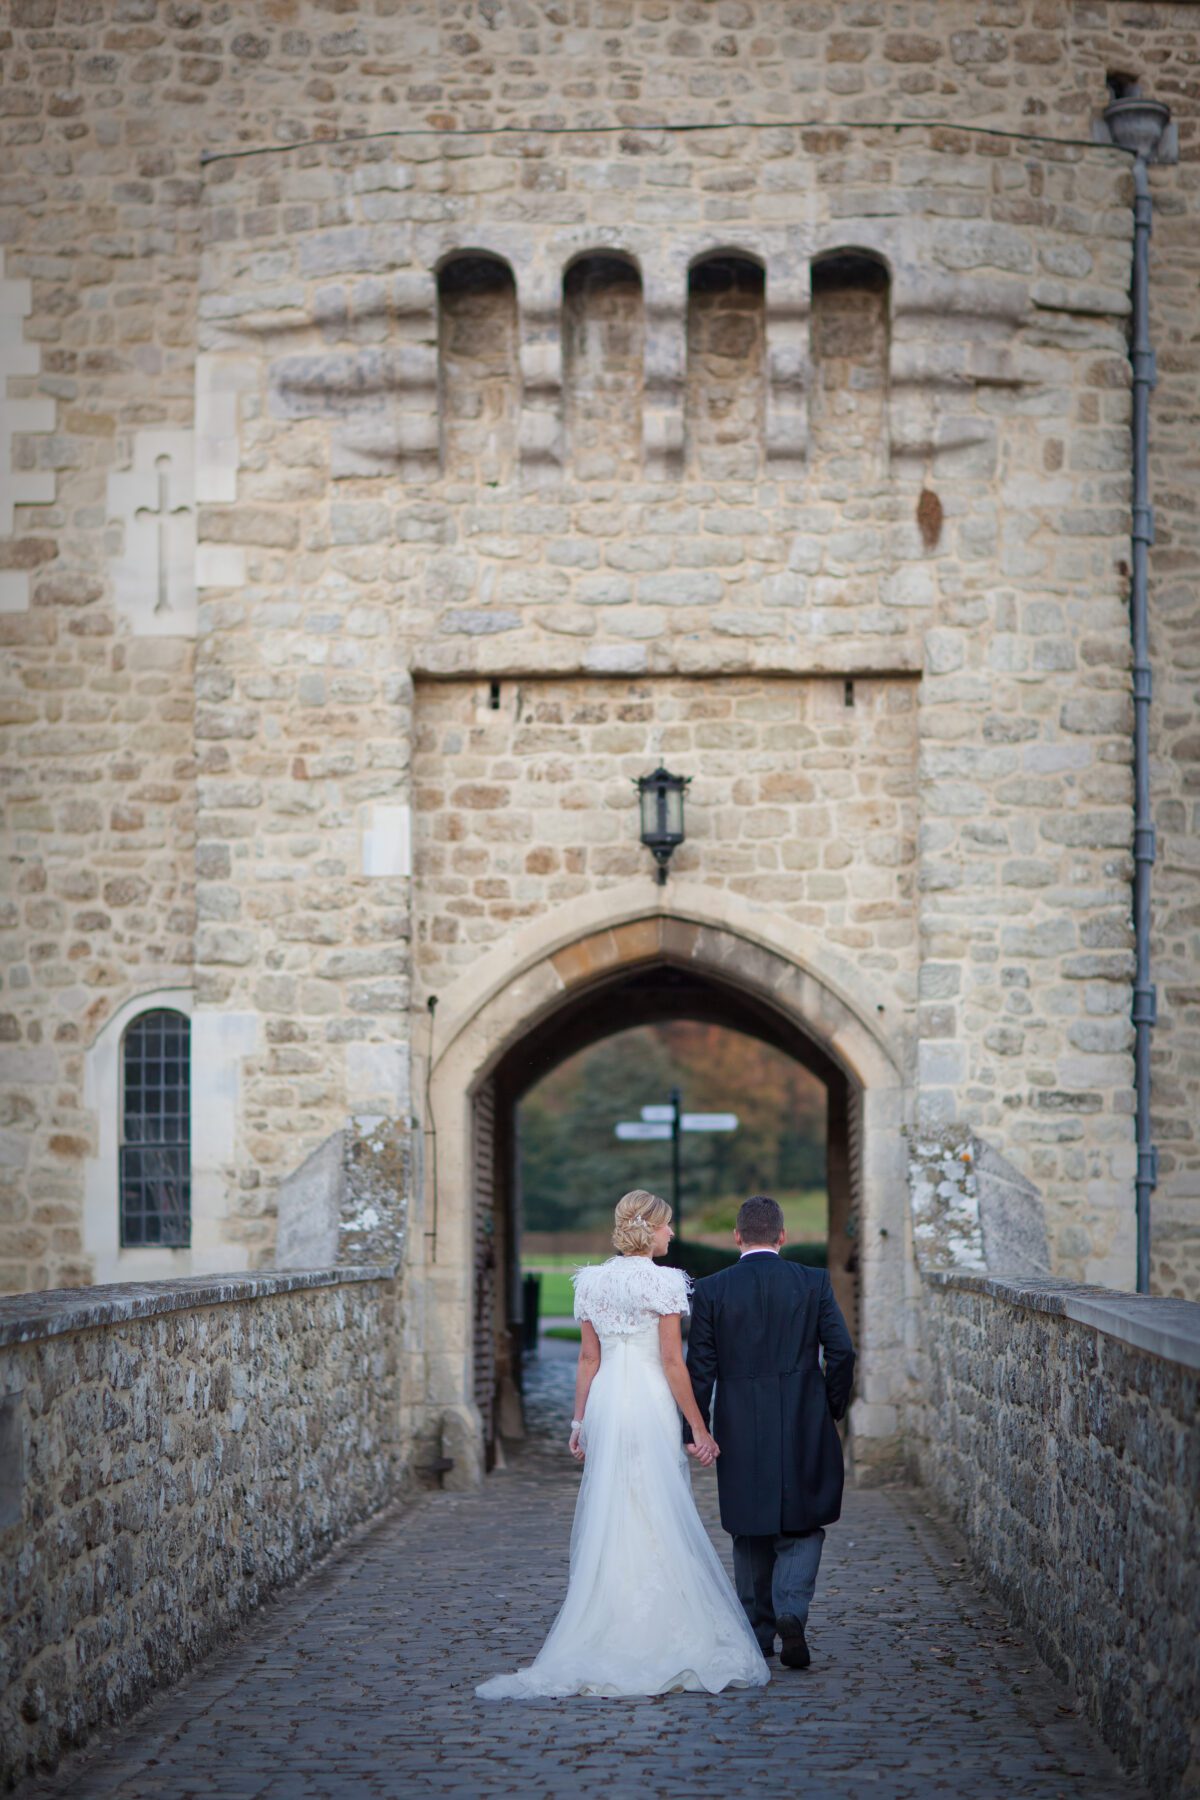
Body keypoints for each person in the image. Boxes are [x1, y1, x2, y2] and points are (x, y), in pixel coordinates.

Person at [476, 1189, 769, 1699]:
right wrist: (698, 1426)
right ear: (649, 1228)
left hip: (609, 1401)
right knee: (656, 1501)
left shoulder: (591, 1281)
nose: (672, 1233)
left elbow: (588, 1359)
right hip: (650, 1400)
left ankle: (609, 1617)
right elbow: (673, 1362)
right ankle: (663, 1624)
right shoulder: (665, 1282)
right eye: (667, 1225)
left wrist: (578, 1421)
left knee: (615, 1504)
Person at [686, 1194, 855, 1671]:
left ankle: (758, 1634)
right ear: (782, 1235)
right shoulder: (813, 1281)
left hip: (739, 1420)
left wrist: (696, 1429)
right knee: (804, 1521)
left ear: (737, 1236)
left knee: (749, 1526)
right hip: (804, 1414)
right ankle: (791, 1611)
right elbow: (842, 1352)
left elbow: (700, 1368)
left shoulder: (712, 1290)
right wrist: (831, 1406)